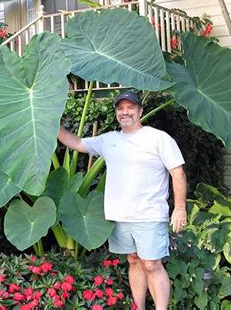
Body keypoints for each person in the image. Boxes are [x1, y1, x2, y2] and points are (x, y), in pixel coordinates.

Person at [57, 91, 187, 310]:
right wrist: (53, 124)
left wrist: (180, 208)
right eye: (121, 109)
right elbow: (77, 142)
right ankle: (138, 307)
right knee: (134, 260)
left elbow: (178, 173)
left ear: (140, 111)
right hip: (121, 215)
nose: (125, 112)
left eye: (130, 108)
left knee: (152, 263)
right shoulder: (109, 140)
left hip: (150, 214)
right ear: (117, 113)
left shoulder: (158, 138)